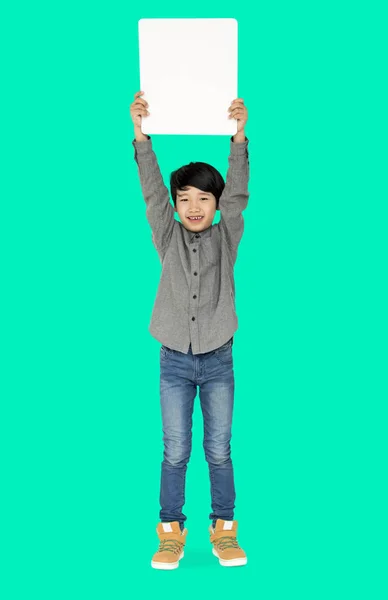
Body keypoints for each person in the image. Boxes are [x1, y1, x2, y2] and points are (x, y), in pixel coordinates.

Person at [130, 91, 250, 569]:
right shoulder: (167, 233)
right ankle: (170, 531)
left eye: (205, 198)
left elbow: (239, 195)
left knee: (219, 450)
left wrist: (238, 138)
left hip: (219, 359)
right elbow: (152, 190)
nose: (194, 206)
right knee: (175, 450)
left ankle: (224, 529)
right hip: (174, 360)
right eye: (186, 199)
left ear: (217, 204)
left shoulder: (228, 234)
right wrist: (140, 135)